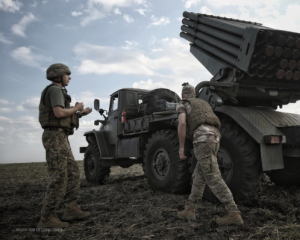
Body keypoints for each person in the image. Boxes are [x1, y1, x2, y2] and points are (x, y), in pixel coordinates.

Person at [176, 83, 243, 226]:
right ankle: (190, 209)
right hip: (215, 137)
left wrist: (181, 148)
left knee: (213, 177)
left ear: (182, 95)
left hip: (202, 139)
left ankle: (233, 213)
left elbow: (182, 124)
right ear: (194, 94)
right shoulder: (203, 103)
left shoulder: (183, 104)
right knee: (199, 176)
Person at [37, 63, 92, 228]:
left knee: (73, 173)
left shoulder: (59, 91)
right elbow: (59, 113)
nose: (70, 77)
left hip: (60, 136)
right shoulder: (54, 90)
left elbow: (63, 116)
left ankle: (71, 209)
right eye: (67, 75)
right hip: (54, 136)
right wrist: (75, 107)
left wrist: (79, 113)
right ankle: (46, 218)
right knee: (60, 176)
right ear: (58, 76)